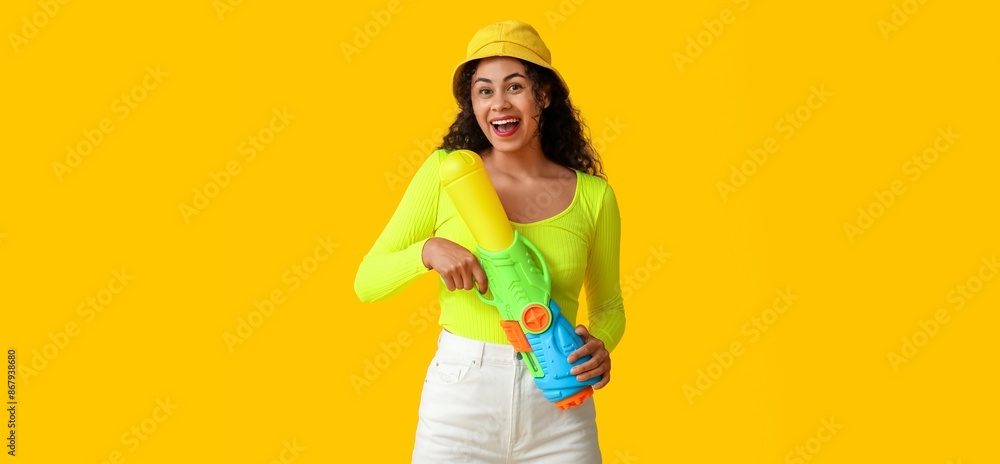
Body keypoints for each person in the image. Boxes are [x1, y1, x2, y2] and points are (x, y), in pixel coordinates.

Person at [354, 20, 625, 464]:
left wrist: (600, 343)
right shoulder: (446, 175)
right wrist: (427, 252)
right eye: (484, 90)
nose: (499, 103)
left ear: (544, 95)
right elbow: (367, 281)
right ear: (473, 104)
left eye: (515, 86)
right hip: (462, 397)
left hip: (560, 401)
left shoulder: (594, 197)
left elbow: (610, 306)